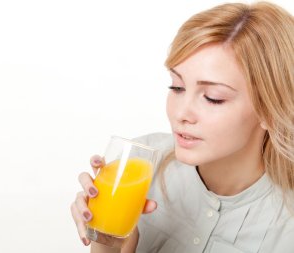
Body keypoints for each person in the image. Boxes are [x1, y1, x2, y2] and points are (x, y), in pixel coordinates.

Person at [70, 1, 294, 252]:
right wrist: (109, 244)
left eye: (213, 97)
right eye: (177, 87)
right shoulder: (142, 165)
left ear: (269, 110)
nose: (181, 113)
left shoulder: (286, 229)